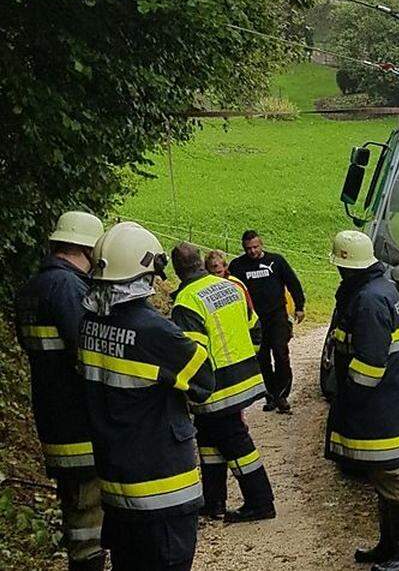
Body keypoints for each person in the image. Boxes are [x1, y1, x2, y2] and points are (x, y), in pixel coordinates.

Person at [78, 222, 215, 571]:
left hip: (117, 485)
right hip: (162, 488)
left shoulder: (89, 325)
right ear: (145, 275)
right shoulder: (155, 331)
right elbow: (203, 379)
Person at [13, 211, 106, 571]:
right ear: (89, 247)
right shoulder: (69, 288)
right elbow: (90, 351)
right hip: (81, 422)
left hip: (52, 418)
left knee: (75, 510)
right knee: (89, 514)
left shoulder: (31, 288)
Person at [324, 230, 399, 571]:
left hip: (377, 407)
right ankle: (389, 546)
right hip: (384, 403)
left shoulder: (368, 301)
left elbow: (369, 365)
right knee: (382, 477)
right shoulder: (379, 288)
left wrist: (348, 398)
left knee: (391, 479)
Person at [171, 242, 275, 523]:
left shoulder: (187, 300)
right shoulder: (230, 286)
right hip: (245, 376)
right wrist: (249, 359)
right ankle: (213, 501)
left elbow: (192, 354)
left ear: (177, 270)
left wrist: (184, 387)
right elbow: (254, 325)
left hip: (216, 387)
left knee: (236, 442)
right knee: (208, 439)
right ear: (202, 264)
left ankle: (261, 501)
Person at [229, 230, 305, 414]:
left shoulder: (276, 261)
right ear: (243, 248)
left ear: (261, 244)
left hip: (277, 314)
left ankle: (282, 394)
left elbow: (292, 282)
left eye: (255, 247)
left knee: (280, 353)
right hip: (255, 320)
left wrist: (300, 305)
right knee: (262, 358)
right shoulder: (238, 266)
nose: (253, 252)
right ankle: (270, 394)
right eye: (248, 248)